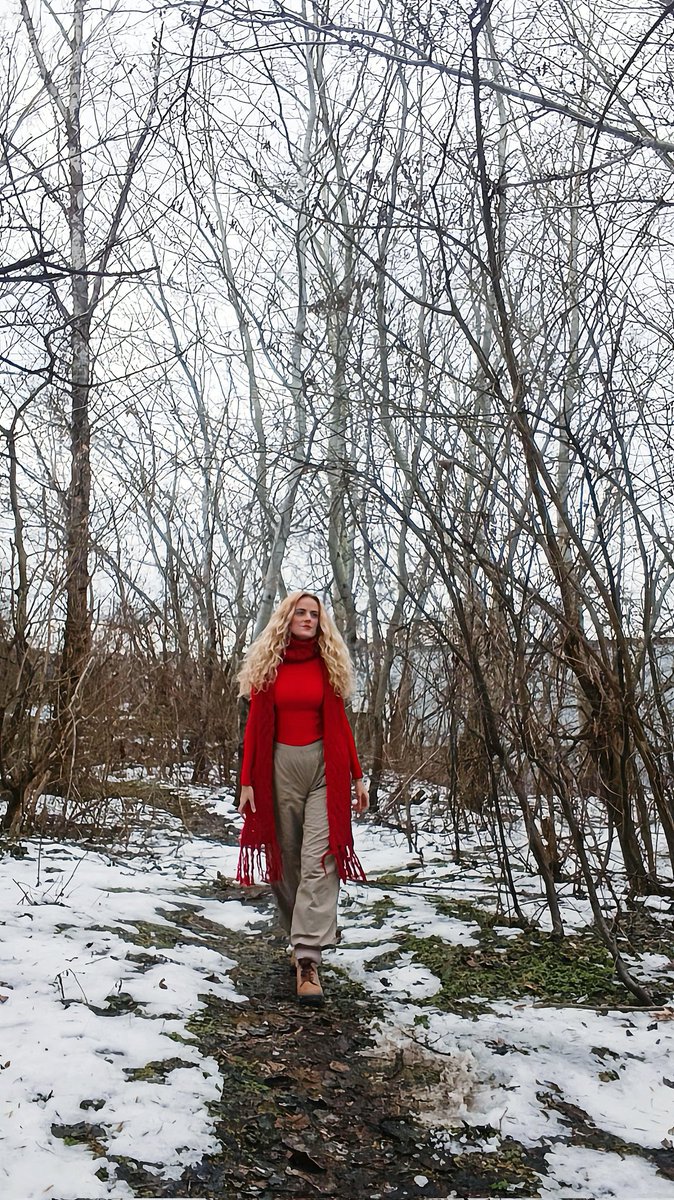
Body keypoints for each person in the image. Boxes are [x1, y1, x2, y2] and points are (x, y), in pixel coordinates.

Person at [236, 590, 369, 1005]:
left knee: (320, 857)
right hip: (278, 768)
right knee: (287, 859)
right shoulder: (268, 666)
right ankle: (299, 931)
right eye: (301, 612)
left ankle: (308, 956)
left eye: (315, 614)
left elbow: (341, 723)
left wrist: (358, 775)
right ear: (287, 617)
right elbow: (256, 723)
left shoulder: (327, 664)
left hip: (324, 768)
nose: (308, 619)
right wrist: (247, 782)